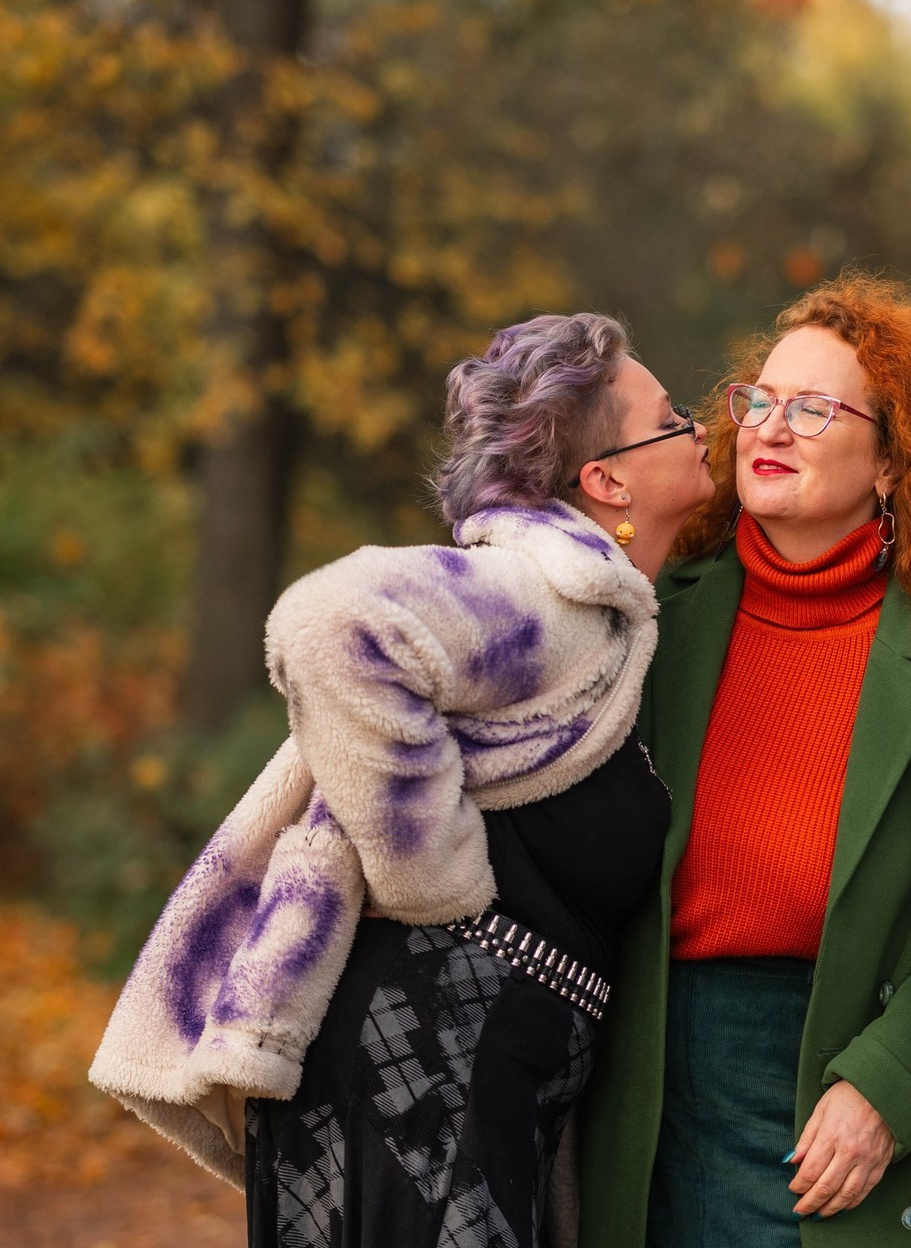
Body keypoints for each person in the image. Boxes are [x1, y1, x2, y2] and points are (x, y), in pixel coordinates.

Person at [90, 312, 714, 1248]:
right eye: (674, 419)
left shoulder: (604, 614)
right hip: (417, 1068)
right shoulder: (542, 589)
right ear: (608, 478)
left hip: (445, 1072)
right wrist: (433, 873)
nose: (703, 429)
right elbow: (328, 624)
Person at [576, 272, 911, 1248]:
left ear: (893, 459)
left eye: (811, 409)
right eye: (757, 402)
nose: (769, 428)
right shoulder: (648, 623)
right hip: (644, 1094)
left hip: (842, 1097)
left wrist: (889, 1086)